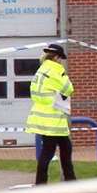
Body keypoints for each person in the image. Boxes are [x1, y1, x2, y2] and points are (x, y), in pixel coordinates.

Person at [27, 44, 75, 185]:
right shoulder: (56, 69)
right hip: (54, 119)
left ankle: (69, 180)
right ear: (56, 57)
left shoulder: (41, 70)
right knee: (50, 152)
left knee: (63, 148)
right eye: (60, 59)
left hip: (42, 117)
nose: (61, 61)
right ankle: (43, 183)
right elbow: (69, 89)